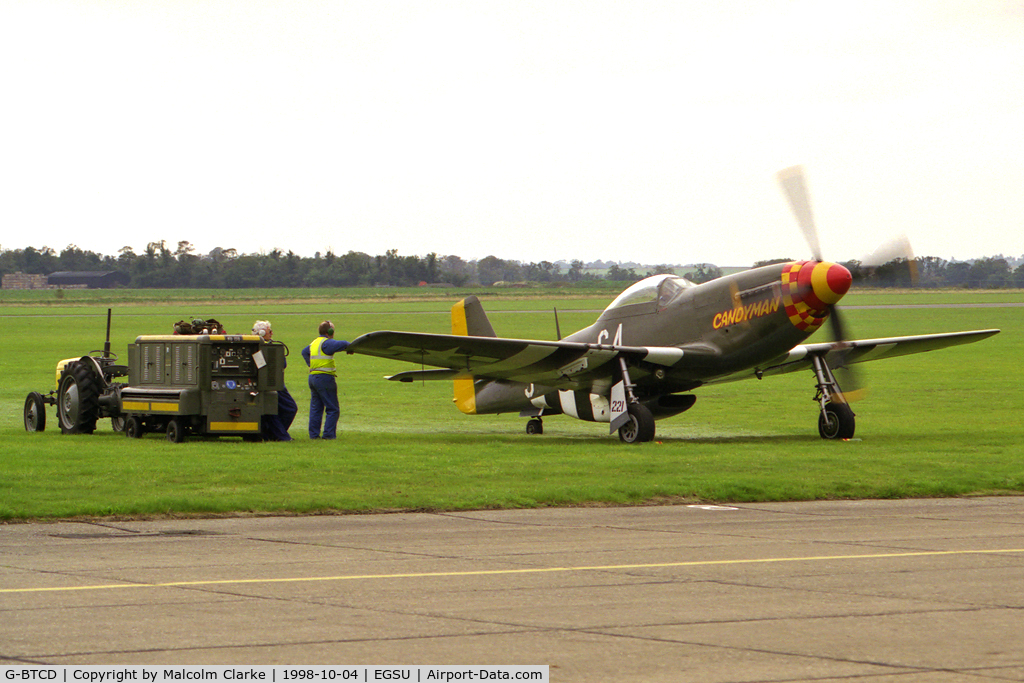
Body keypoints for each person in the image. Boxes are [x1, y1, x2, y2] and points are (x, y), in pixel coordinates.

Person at [301, 320, 350, 439]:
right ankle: (328, 435)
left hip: (313, 377)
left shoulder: (314, 343)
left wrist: (311, 365)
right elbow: (343, 343)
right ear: (330, 331)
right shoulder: (326, 343)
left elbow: (304, 352)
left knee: (316, 408)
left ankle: (314, 435)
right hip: (324, 378)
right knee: (332, 409)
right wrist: (351, 347)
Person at [253, 320, 297, 442]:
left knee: (288, 408)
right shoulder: (255, 348)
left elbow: (282, 364)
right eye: (269, 331)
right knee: (273, 410)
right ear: (262, 333)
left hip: (275, 382)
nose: (272, 333)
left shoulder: (273, 346)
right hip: (269, 384)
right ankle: (280, 436)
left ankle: (274, 434)